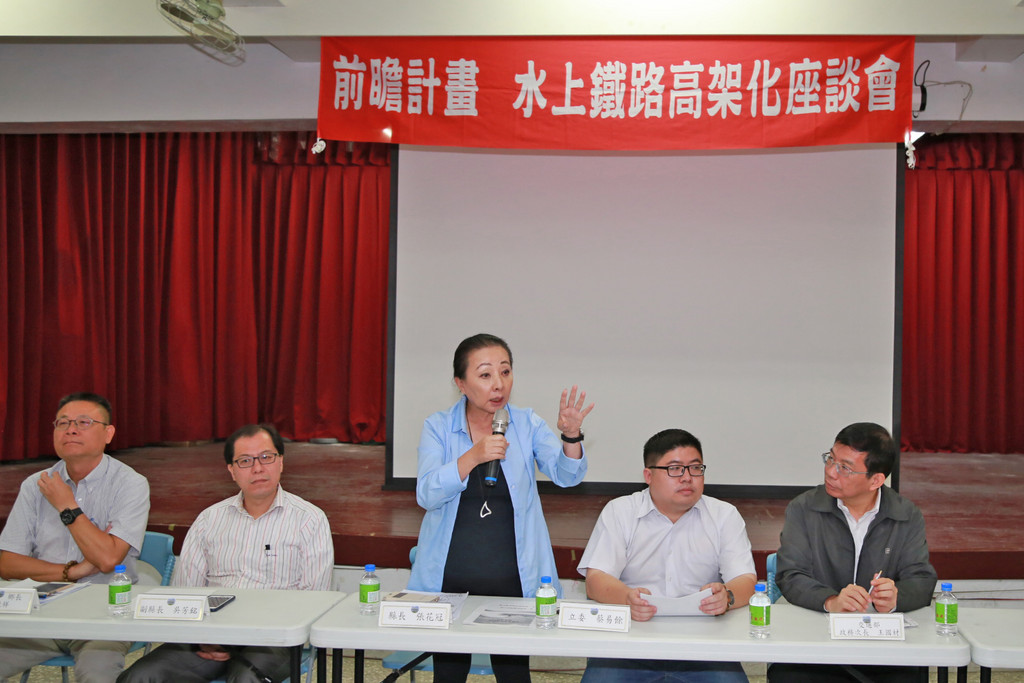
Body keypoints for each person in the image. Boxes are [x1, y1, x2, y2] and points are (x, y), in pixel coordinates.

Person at [407, 333, 594, 683]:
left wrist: (571, 437)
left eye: (505, 372)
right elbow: (427, 494)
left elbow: (567, 476)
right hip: (450, 576)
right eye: (485, 374)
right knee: (448, 674)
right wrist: (472, 457)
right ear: (461, 383)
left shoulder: (526, 423)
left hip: (512, 575)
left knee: (514, 675)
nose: (499, 384)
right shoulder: (438, 427)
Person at [117, 423, 333, 683]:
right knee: (140, 676)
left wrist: (254, 633)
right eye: (245, 461)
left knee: (246, 679)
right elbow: (185, 592)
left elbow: (313, 600)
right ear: (231, 470)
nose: (257, 468)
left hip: (274, 639)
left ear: (281, 462)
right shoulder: (209, 520)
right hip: (209, 635)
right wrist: (201, 636)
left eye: (266, 457)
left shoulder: (309, 520)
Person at [577, 428, 755, 683]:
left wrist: (726, 597)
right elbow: (596, 580)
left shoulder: (724, 515)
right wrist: (627, 598)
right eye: (675, 469)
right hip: (629, 642)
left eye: (695, 468)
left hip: (706, 645)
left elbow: (746, 580)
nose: (687, 478)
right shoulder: (620, 512)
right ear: (648, 475)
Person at [770, 422, 938, 683]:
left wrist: (895, 597)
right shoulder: (804, 508)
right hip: (816, 642)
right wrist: (831, 601)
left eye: (845, 468)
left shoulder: (905, 515)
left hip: (883, 648)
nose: (830, 472)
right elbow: (790, 574)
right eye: (830, 459)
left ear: (876, 480)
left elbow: (921, 579)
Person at [0, 392, 150, 683]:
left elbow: (107, 559)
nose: (71, 430)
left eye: (83, 422)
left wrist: (66, 505)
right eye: (63, 423)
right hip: (40, 611)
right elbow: (7, 563)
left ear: (108, 434)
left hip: (104, 615)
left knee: (96, 674)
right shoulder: (35, 484)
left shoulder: (130, 484)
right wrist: (72, 571)